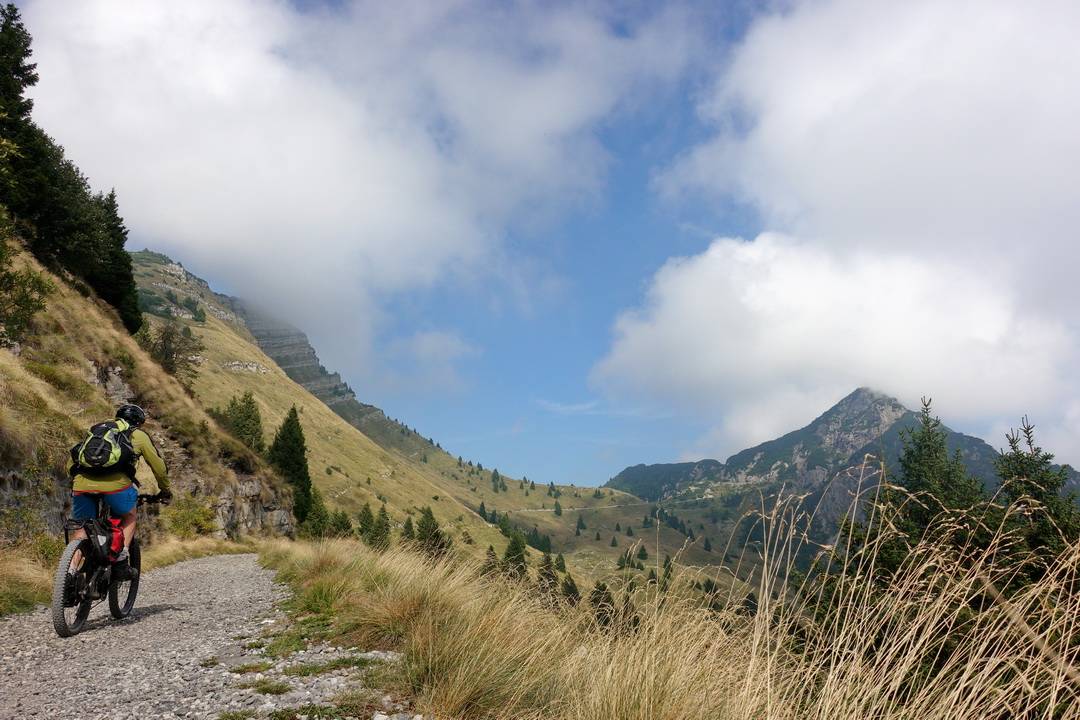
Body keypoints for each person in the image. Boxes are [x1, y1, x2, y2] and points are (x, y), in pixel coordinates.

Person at [68, 404, 171, 579]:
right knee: (129, 516)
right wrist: (165, 489)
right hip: (116, 486)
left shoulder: (98, 429)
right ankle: (121, 562)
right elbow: (158, 467)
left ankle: (68, 574)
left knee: (82, 528)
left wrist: (76, 481)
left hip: (82, 484)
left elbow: (74, 457)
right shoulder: (138, 435)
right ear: (139, 422)